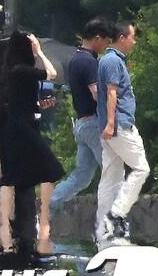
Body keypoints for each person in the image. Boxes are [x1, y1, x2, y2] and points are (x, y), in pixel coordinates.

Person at [0, 32, 62, 266]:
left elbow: (25, 99)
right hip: (21, 129)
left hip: (19, 126)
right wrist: (40, 51)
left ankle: (23, 240)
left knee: (23, 180)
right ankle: (30, 236)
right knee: (49, 169)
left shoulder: (13, 72)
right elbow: (52, 73)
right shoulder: (20, 69)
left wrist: (41, 103)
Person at [49, 18, 114, 213]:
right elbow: (96, 93)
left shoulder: (75, 59)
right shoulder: (89, 61)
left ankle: (49, 206)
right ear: (97, 38)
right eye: (106, 40)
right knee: (112, 172)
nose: (106, 45)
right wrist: (112, 114)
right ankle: (115, 221)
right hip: (94, 124)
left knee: (81, 177)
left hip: (82, 124)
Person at [96, 21, 148, 246]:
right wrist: (110, 124)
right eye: (132, 37)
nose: (134, 41)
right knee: (141, 168)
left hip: (112, 127)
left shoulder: (109, 60)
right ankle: (116, 214)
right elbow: (111, 94)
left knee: (110, 177)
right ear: (122, 37)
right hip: (119, 126)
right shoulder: (112, 61)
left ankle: (103, 232)